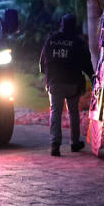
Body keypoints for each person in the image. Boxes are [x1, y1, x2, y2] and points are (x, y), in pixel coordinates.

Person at [39, 13, 94, 156]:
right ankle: (75, 143)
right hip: (72, 83)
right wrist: (94, 80)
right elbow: (87, 65)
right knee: (73, 112)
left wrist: (48, 77)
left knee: (55, 112)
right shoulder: (78, 42)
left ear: (61, 24)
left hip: (54, 82)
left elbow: (42, 63)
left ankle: (54, 144)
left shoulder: (51, 40)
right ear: (74, 26)